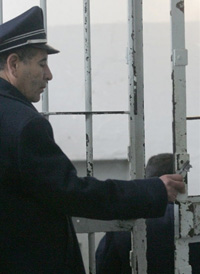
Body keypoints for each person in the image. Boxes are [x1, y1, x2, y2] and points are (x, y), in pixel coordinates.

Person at [0, 6, 185, 274]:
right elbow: (73, 193)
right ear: (14, 64)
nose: (49, 75)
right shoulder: (24, 125)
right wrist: (152, 190)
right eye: (42, 63)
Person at [96, 153, 200, 274]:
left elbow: (103, 266)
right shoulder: (195, 220)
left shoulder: (126, 222)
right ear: (183, 182)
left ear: (147, 179)